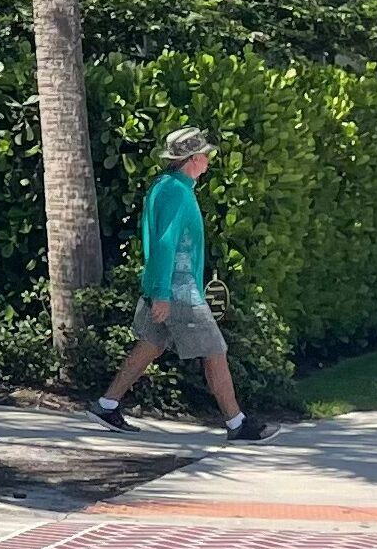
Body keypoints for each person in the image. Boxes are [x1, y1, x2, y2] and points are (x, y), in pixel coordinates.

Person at [92, 126, 266, 441]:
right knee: (215, 350)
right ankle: (237, 423)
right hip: (178, 291)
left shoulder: (168, 186)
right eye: (205, 155)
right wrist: (162, 294)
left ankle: (107, 404)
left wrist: (157, 290)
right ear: (192, 159)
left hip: (167, 288)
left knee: (150, 344)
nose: (209, 160)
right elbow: (165, 244)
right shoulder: (175, 191)